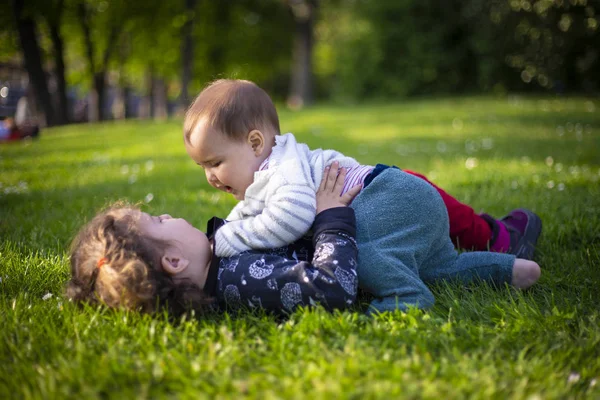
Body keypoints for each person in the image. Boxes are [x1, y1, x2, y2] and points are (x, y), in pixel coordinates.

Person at [182, 79, 541, 313]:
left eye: (215, 162)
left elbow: (289, 218)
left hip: (388, 196)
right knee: (439, 266)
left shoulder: (281, 168)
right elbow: (250, 216)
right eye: (203, 167)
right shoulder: (264, 173)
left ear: (255, 143)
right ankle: (513, 270)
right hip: (404, 198)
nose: (210, 177)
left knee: (364, 253)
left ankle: (409, 298)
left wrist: (226, 239)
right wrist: (226, 231)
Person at [67, 165, 538, 316]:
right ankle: (497, 271)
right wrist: (331, 217)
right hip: (391, 204)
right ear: (172, 260)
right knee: (386, 259)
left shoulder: (227, 257)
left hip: (394, 196)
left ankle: (469, 256)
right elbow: (332, 285)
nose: (168, 214)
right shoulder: (239, 279)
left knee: (377, 252)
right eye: (158, 219)